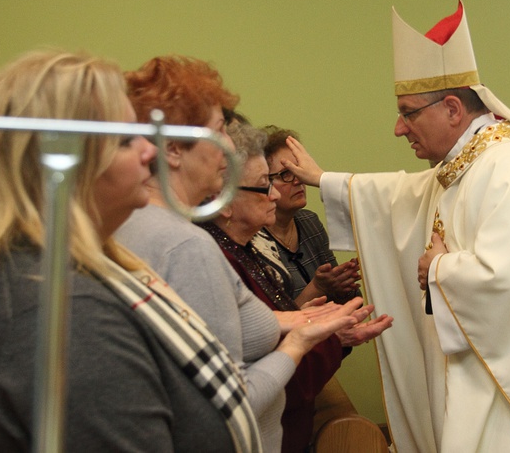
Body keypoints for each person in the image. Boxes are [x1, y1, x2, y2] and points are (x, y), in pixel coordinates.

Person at [281, 1, 510, 453]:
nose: (399, 128)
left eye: (408, 112)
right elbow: (402, 196)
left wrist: (437, 271)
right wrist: (324, 180)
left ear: (453, 108)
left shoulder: (507, 168)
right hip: (480, 374)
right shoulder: (468, 163)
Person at [0, 50, 269, 451]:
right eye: (124, 139)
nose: (148, 152)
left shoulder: (61, 268)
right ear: (62, 161)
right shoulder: (68, 312)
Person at [115, 55, 363, 452]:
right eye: (218, 132)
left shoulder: (132, 223)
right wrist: (296, 344)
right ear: (175, 150)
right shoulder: (185, 245)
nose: (230, 147)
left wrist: (296, 320)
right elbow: (228, 404)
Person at [197, 121, 392, 452]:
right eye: (266, 184)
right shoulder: (214, 258)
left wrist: (311, 320)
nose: (276, 192)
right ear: (224, 200)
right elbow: (258, 374)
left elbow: (270, 327)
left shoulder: (245, 250)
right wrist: (325, 334)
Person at [255, 125, 361, 306]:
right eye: (286, 174)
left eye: (299, 169)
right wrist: (317, 288)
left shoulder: (309, 221)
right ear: (263, 182)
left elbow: (348, 301)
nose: (299, 180)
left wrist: (344, 284)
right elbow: (274, 323)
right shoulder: (255, 243)